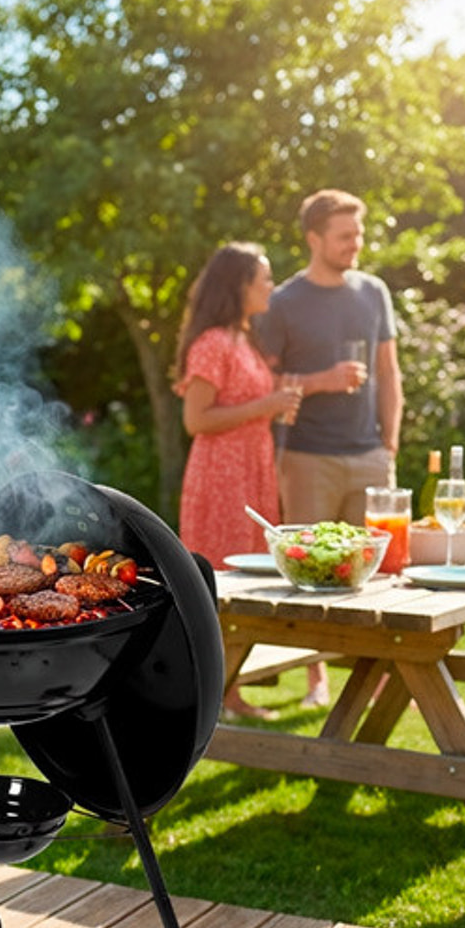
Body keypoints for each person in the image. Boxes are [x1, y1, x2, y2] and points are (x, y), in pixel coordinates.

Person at [257, 188, 404, 706]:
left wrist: (390, 443)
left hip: (368, 453)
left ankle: (381, 677)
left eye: (358, 233)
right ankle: (317, 682)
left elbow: (389, 373)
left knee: (377, 569)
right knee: (309, 572)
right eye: (345, 235)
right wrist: (321, 379)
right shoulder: (282, 303)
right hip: (307, 456)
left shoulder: (374, 292)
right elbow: (264, 384)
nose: (355, 243)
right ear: (314, 238)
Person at [173, 243, 302, 719]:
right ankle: (212, 698)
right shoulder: (212, 343)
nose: (271, 285)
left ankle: (230, 693)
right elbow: (196, 420)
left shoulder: (242, 339)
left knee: (244, 583)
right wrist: (266, 406)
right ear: (239, 285)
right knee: (222, 585)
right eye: (264, 278)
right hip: (221, 476)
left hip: (250, 471)